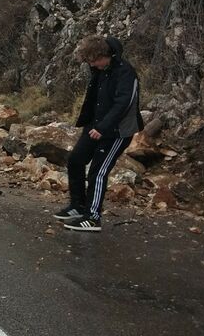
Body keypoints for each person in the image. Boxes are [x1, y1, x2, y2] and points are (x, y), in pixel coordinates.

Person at [56, 35, 143, 232]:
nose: (92, 65)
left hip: (117, 131)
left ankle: (93, 218)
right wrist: (90, 123)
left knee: (98, 171)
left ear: (105, 55)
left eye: (94, 61)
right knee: (75, 160)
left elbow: (124, 103)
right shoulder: (99, 68)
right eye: (89, 62)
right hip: (95, 126)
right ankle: (78, 205)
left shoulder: (125, 72)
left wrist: (103, 127)